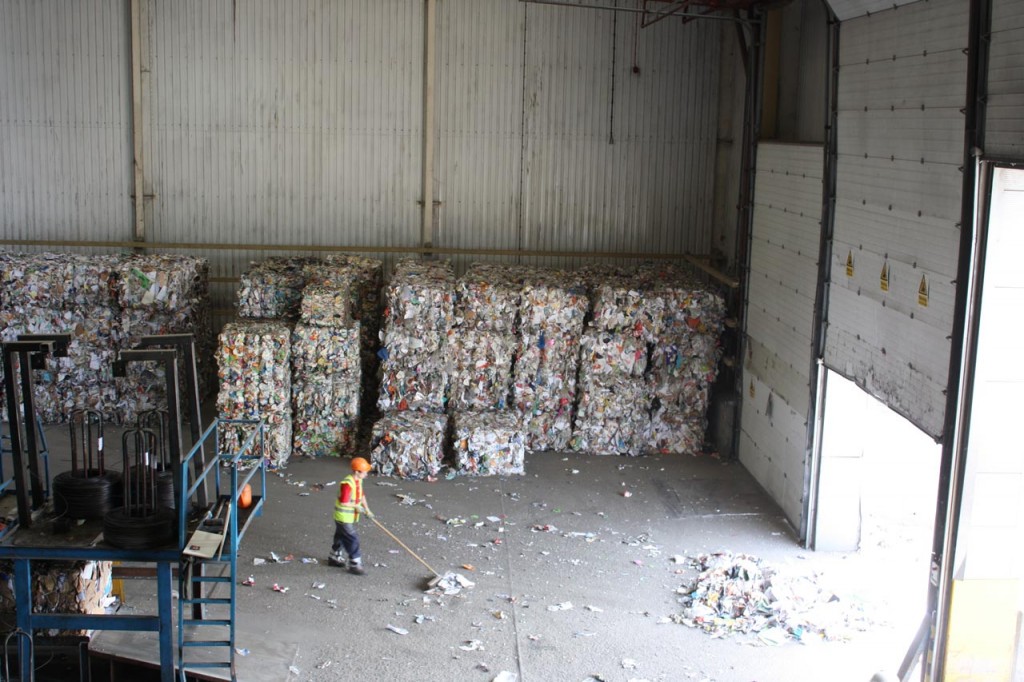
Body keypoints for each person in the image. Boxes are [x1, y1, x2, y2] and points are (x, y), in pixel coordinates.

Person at [330, 456, 373, 575]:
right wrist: (356, 506)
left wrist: (367, 509)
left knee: (340, 536)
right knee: (351, 539)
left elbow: (362, 495)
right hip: (343, 517)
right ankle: (355, 563)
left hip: (347, 517)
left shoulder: (358, 481)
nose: (366, 474)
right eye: (365, 472)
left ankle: (334, 557)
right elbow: (344, 501)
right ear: (357, 471)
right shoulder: (347, 484)